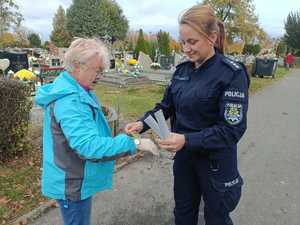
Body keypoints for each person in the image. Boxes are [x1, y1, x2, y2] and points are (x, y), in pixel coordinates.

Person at [125, 4, 249, 225]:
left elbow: (232, 130)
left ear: (212, 37)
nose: (186, 48)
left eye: (192, 42)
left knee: (217, 217)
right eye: (183, 42)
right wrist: (141, 123)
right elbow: (166, 106)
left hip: (215, 163)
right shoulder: (183, 71)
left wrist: (187, 139)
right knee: (183, 213)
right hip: (184, 160)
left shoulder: (231, 74)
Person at [35, 38, 158, 225]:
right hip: (72, 182)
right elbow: (88, 146)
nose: (100, 75)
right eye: (97, 70)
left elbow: (89, 132)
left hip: (75, 177)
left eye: (102, 70)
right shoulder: (71, 101)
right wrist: (135, 143)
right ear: (77, 66)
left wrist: (125, 135)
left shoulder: (77, 90)